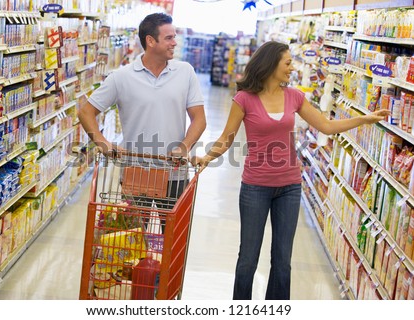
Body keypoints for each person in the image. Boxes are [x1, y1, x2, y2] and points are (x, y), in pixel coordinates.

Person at [193, 41, 390, 300]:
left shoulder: (295, 96)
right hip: (255, 187)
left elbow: (326, 126)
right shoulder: (244, 99)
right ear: (271, 63)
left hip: (290, 186)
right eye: (287, 62)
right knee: (248, 259)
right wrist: (207, 157)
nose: (292, 67)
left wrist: (364, 119)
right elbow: (226, 138)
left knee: (283, 261)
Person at [78, 12, 206, 199]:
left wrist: (184, 147)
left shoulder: (185, 72)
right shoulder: (121, 77)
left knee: (174, 229)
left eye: (174, 37)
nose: (174, 43)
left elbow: (199, 119)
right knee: (135, 229)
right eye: (168, 38)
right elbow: (86, 112)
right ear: (150, 41)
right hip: (135, 173)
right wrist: (102, 142)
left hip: (175, 174)